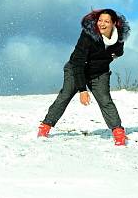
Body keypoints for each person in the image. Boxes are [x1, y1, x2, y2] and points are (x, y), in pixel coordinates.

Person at [37, 9, 131, 146]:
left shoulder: (119, 37)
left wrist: (114, 55)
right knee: (65, 95)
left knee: (105, 100)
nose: (102, 24)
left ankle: (118, 132)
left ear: (114, 24)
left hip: (99, 73)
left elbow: (119, 51)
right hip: (76, 69)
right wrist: (83, 90)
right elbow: (79, 62)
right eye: (100, 20)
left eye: (106, 21)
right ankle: (45, 126)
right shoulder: (88, 36)